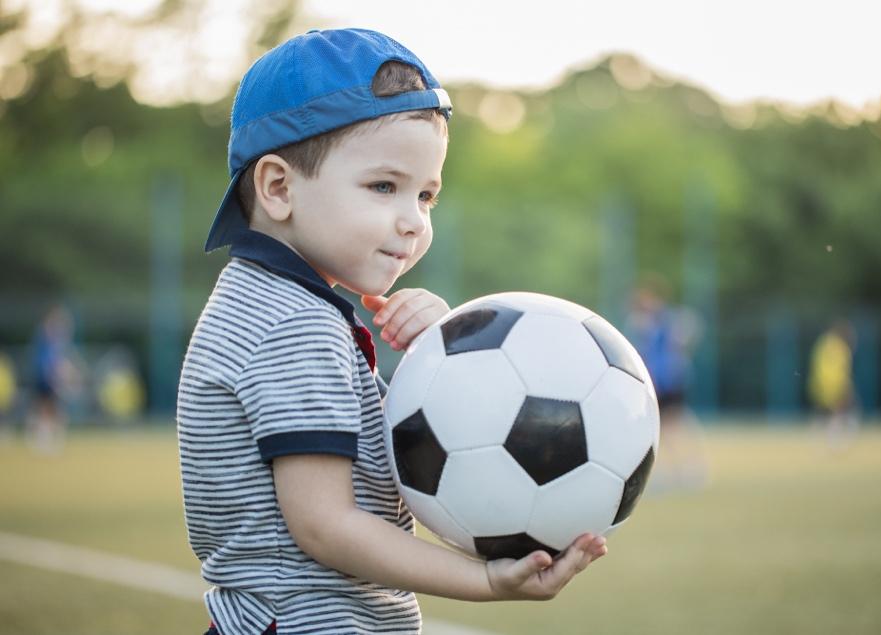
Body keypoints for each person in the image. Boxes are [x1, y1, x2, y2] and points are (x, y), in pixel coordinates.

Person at [177, 29, 607, 635]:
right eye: (384, 186)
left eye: (427, 195)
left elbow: (384, 470)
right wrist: (482, 580)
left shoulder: (280, 303)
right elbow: (326, 525)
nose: (413, 222)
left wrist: (447, 355)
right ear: (278, 188)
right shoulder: (292, 325)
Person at [623, 274, 706, 491]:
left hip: (670, 381)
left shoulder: (668, 320)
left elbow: (687, 332)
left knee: (672, 426)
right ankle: (680, 471)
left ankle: (690, 469)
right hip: (657, 382)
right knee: (667, 427)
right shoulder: (643, 323)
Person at [28, 304, 80, 453]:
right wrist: (59, 376)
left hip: (48, 377)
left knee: (49, 410)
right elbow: (52, 363)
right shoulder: (48, 340)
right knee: (48, 410)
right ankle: (43, 440)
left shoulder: (51, 340)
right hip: (46, 378)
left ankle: (45, 440)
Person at [808, 319, 858, 449]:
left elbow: (816, 365)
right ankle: (836, 443)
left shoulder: (821, 343)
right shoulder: (841, 348)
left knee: (824, 414)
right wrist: (844, 387)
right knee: (841, 413)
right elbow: (841, 370)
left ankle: (815, 442)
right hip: (835, 386)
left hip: (818, 385)